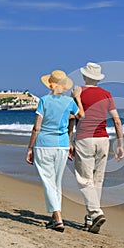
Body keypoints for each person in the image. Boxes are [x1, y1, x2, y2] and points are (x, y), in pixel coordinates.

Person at [26, 69, 84, 232]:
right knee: (56, 182)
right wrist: (77, 98)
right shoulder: (69, 102)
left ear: (51, 84)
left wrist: (30, 148)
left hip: (44, 144)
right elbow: (82, 117)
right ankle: (54, 218)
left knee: (48, 181)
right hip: (62, 145)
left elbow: (37, 127)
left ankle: (58, 218)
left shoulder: (44, 100)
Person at [71, 62, 124, 234]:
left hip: (84, 138)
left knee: (84, 179)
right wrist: (121, 144)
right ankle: (89, 219)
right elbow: (116, 120)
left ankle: (96, 213)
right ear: (98, 78)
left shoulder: (77, 92)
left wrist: (68, 140)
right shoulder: (106, 94)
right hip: (103, 139)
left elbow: (72, 117)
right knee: (97, 180)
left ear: (85, 76)